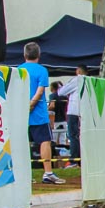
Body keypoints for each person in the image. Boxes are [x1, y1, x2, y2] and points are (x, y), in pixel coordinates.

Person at [19, 42, 65, 185]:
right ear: (38, 55)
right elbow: (40, 91)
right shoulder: (42, 71)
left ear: (25, 55)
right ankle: (48, 173)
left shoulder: (19, 70)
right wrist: (32, 104)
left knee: (22, 143)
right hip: (38, 112)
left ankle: (24, 174)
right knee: (45, 141)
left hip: (21, 112)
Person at [57, 65, 87, 167]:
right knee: (81, 136)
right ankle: (81, 160)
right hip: (84, 112)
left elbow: (61, 92)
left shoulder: (77, 80)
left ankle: (74, 160)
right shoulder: (89, 80)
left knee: (73, 136)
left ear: (78, 71)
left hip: (74, 111)